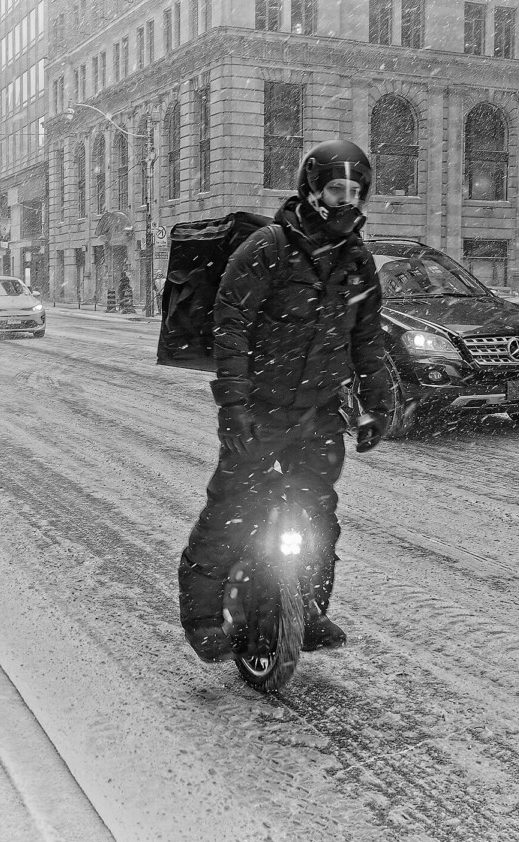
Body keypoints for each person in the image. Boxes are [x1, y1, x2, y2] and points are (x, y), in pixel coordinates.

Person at [177, 139, 392, 664]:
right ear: (312, 189)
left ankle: (309, 611)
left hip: (319, 411)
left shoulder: (358, 262)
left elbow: (366, 341)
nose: (345, 199)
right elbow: (231, 329)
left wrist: (378, 406)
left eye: (354, 190)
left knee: (318, 514)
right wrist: (234, 408)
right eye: (335, 188)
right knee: (233, 509)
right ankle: (203, 618)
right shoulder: (269, 248)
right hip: (260, 409)